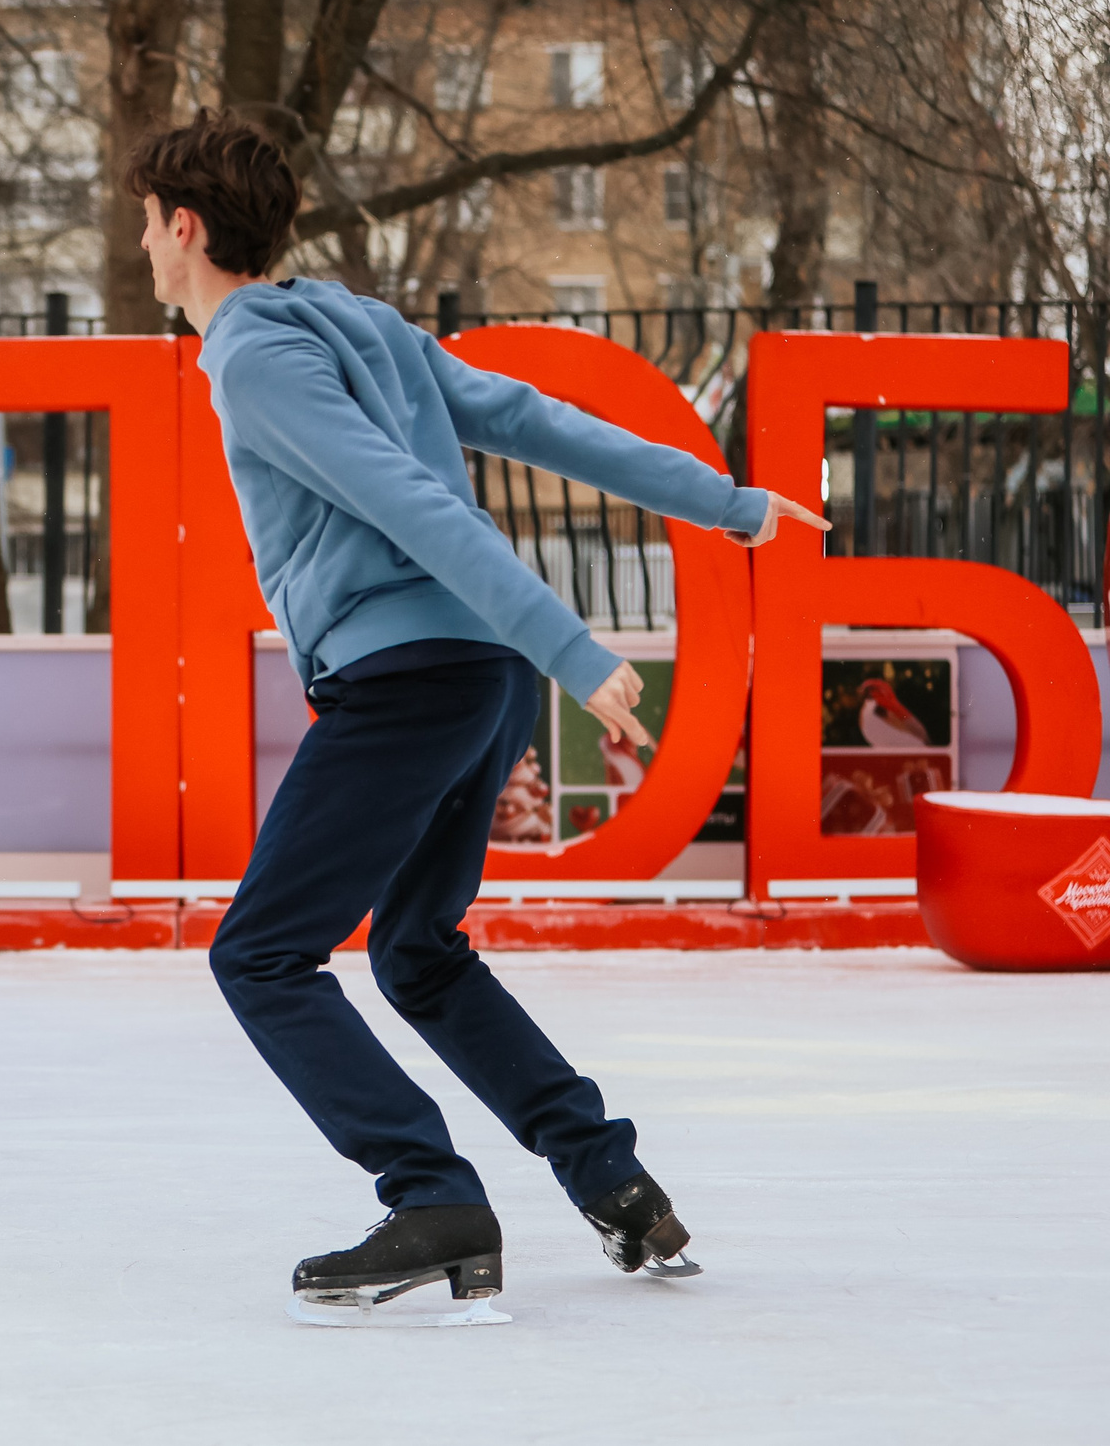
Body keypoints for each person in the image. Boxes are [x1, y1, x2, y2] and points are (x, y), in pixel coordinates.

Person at [130, 110, 827, 1322]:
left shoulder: (249, 350)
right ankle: (608, 1176)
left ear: (184, 227)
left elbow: (406, 499)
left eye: (145, 225)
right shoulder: (360, 320)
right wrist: (725, 499)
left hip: (409, 680)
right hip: (474, 675)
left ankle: (430, 1192)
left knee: (258, 952)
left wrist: (567, 641)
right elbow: (529, 419)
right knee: (415, 949)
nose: (141, 248)